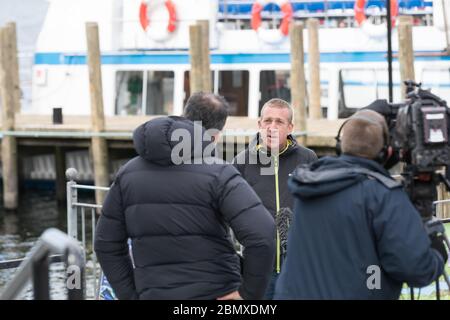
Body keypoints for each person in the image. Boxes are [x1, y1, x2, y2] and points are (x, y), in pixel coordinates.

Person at [94, 93, 276, 300]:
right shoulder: (219, 172)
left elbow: (105, 243)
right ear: (216, 135)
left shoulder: (127, 173)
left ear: (184, 116)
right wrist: (248, 294)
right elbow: (263, 235)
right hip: (216, 292)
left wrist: (130, 294)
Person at [274, 109, 447, 299]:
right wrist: (437, 249)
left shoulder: (308, 183)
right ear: (386, 154)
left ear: (340, 146)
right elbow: (417, 270)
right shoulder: (383, 196)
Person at [233, 98, 318, 299]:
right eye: (267, 120)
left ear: (290, 127)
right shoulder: (242, 161)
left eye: (279, 122)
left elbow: (318, 209)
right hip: (257, 268)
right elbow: (229, 216)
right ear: (259, 124)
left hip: (297, 266)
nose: (272, 127)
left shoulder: (308, 159)